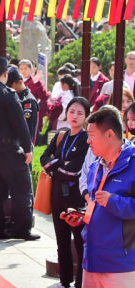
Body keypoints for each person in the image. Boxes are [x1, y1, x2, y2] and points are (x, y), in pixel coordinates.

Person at [61, 105, 135, 286]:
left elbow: (112, 203)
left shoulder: (133, 163)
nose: (88, 141)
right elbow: (96, 204)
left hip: (121, 264)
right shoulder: (95, 166)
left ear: (109, 135)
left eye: (91, 135)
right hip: (92, 260)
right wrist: (82, 217)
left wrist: (113, 201)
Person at [0, 56, 38, 241]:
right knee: (22, 189)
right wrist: (28, 148)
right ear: (4, 74)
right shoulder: (8, 95)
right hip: (8, 148)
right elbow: (21, 125)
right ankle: (21, 229)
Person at [41, 96, 90, 288]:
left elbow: (75, 170)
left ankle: (80, 282)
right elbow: (44, 160)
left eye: (80, 113)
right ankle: (64, 281)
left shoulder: (86, 138)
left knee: (79, 241)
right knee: (61, 240)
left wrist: (57, 163)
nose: (75, 116)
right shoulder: (61, 134)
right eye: (71, 111)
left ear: (86, 116)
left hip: (75, 196)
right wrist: (61, 163)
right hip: (57, 195)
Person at [7, 67, 40, 143]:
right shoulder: (14, 96)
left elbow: (28, 130)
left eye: (10, 85)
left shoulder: (28, 101)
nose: (8, 88)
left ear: (20, 82)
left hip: (23, 146)